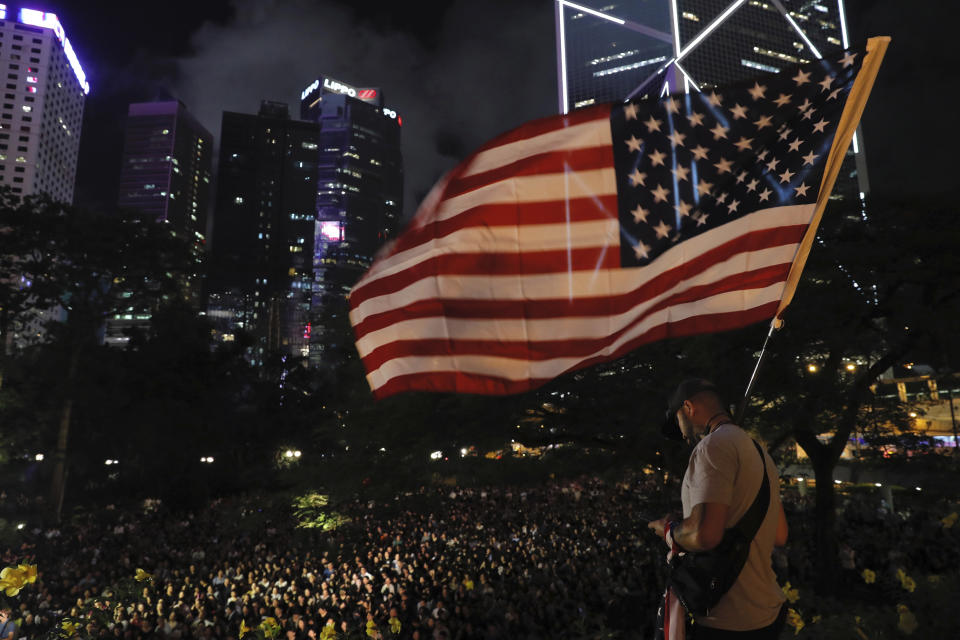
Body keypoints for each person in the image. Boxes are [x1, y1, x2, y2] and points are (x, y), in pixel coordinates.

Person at [649, 378, 789, 639]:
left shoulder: (712, 447)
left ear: (688, 407)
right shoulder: (760, 452)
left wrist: (668, 530)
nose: (680, 432)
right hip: (766, 611)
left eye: (678, 421)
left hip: (726, 618)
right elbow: (780, 534)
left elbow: (705, 535)